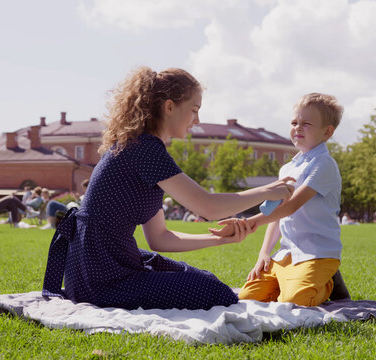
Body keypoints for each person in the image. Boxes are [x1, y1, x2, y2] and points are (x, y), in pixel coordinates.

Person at [42, 67, 293, 310]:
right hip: (101, 276)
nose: (197, 120)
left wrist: (218, 239)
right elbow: (207, 206)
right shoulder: (145, 148)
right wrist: (269, 190)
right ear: (169, 106)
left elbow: (159, 238)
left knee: (208, 282)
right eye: (194, 110)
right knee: (215, 293)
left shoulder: (143, 147)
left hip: (103, 266)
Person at [210, 93, 350, 306]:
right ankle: (294, 281)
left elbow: (290, 207)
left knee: (293, 302)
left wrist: (246, 223)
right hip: (287, 254)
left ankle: (328, 281)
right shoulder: (288, 168)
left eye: (306, 123)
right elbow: (274, 211)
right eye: (294, 122)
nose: (298, 127)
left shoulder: (324, 165)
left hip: (317, 253)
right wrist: (264, 253)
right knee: (247, 299)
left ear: (327, 132)